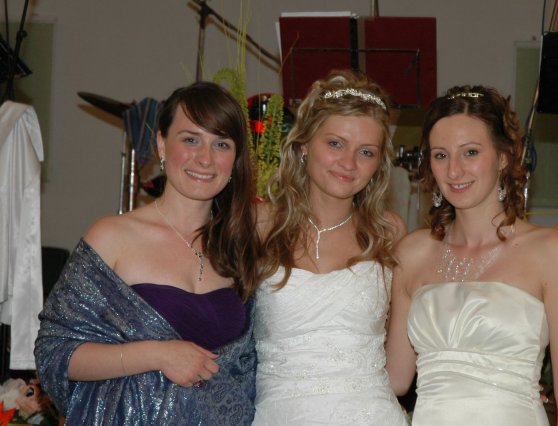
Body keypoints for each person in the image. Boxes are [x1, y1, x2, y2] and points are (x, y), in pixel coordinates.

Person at [35, 81, 260, 425]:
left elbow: (251, 370)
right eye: (190, 139)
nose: (205, 158)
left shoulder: (241, 247)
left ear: (236, 159)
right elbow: (54, 352)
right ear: (161, 144)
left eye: (221, 144)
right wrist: (156, 354)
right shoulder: (113, 236)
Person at [385, 85, 558, 425]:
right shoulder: (412, 252)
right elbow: (396, 378)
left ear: (504, 156)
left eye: (470, 152)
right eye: (440, 155)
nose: (454, 171)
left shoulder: (551, 252)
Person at [252, 70, 409, 425]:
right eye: (335, 144)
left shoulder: (388, 233)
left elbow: (406, 357)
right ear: (304, 145)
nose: (349, 163)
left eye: (366, 152)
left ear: (378, 165)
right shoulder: (260, 225)